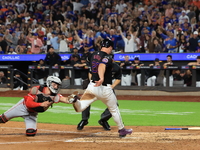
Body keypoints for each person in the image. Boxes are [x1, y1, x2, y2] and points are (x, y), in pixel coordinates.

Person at [69, 39, 132, 138]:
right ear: (110, 47)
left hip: (92, 87)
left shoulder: (92, 54)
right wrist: (102, 78)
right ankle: (122, 130)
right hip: (104, 88)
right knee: (114, 109)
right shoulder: (107, 57)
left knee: (80, 107)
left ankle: (75, 100)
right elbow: (102, 65)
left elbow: (91, 63)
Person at [0, 76, 79, 136]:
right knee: (2, 119)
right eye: (54, 85)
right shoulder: (36, 90)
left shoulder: (55, 96)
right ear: (49, 83)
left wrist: (75, 99)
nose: (56, 87)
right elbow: (28, 104)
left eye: (57, 86)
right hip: (22, 107)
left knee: (31, 133)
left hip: (32, 114)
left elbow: (66, 100)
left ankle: (30, 127)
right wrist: (41, 104)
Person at [77, 56, 122, 131]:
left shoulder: (116, 67)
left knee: (115, 105)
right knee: (85, 101)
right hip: (95, 86)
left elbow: (118, 78)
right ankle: (84, 120)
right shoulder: (98, 65)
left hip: (107, 87)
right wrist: (91, 82)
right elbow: (90, 73)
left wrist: (113, 86)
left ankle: (103, 120)